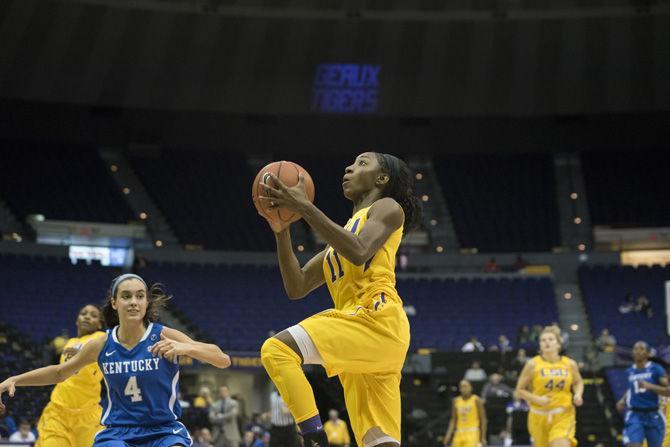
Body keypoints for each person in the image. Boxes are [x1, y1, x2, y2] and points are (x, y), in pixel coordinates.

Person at [258, 153, 421, 447]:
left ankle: (313, 437)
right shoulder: (343, 235)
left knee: (277, 350)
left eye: (362, 163)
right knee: (379, 442)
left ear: (381, 179)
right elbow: (297, 286)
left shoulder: (387, 207)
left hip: (376, 319)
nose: (349, 167)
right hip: (361, 342)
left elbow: (359, 250)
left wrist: (305, 208)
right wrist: (282, 232)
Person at [0, 273, 231, 447]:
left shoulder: (163, 334)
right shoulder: (102, 343)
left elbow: (223, 360)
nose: (133, 302)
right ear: (114, 303)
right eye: (126, 296)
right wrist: (15, 379)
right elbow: (60, 373)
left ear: (146, 303)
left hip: (164, 431)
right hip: (118, 432)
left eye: (140, 296)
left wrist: (187, 347)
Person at [34, 304, 106, 447]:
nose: (87, 316)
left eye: (93, 315)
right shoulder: (70, 342)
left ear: (99, 324)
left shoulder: (101, 338)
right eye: (83, 313)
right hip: (57, 413)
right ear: (76, 320)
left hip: (88, 417)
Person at [515, 326, 584, 447]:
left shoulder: (569, 363)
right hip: (538, 416)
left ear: (558, 344)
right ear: (540, 346)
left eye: (551, 339)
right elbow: (519, 390)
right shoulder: (532, 364)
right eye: (543, 340)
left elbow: (578, 382)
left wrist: (578, 394)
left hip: (563, 414)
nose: (546, 342)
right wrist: (537, 399)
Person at [615, 341, 670, 447]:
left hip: (654, 414)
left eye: (641, 349)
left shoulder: (656, 369)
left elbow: (668, 391)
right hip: (635, 414)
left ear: (648, 353)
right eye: (635, 349)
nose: (638, 351)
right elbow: (631, 389)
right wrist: (622, 400)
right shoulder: (630, 371)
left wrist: (650, 386)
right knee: (633, 444)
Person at [442, 380, 487, 447]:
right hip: (459, 432)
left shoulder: (476, 399)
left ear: (471, 387)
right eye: (462, 387)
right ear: (460, 389)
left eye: (466, 386)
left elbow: (483, 419)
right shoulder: (456, 401)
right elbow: (453, 420)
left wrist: (483, 437)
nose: (464, 389)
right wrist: (448, 435)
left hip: (472, 432)